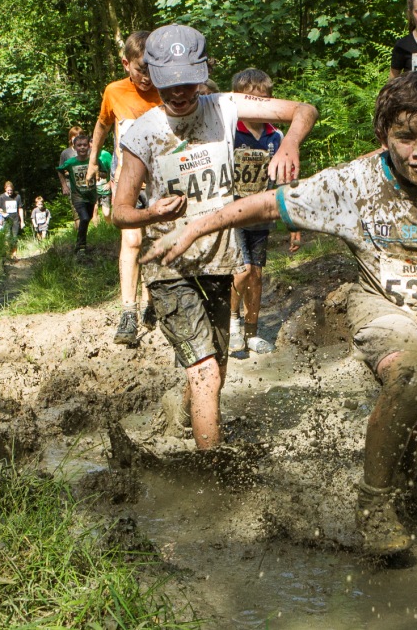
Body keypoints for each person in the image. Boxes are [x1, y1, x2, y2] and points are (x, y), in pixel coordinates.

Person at [143, 72, 417, 555]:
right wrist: (197, 226)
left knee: (415, 421)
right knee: (410, 373)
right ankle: (372, 508)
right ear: (384, 136)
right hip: (378, 309)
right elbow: (267, 205)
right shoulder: (354, 183)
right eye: (406, 137)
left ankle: (398, 491)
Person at [113, 24, 318, 451]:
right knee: (205, 371)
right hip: (169, 267)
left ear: (202, 74)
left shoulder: (225, 106)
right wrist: (152, 212)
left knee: (215, 372)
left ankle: (183, 413)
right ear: (153, 77)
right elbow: (120, 211)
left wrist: (290, 146)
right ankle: (212, 471)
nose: (180, 93)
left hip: (219, 263)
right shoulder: (142, 133)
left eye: (188, 82)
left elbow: (304, 109)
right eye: (170, 84)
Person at [87, 31, 163, 345]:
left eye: (153, 69)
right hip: (126, 181)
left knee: (155, 241)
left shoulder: (167, 90)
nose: (147, 77)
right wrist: (93, 159)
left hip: (160, 181)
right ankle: (128, 313)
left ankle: (150, 303)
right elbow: (103, 124)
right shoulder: (114, 92)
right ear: (125, 64)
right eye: (141, 69)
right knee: (132, 240)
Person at [227, 68, 287, 354]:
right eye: (251, 100)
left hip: (262, 215)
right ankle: (232, 324)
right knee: (243, 271)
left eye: (264, 100)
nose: (258, 107)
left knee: (257, 276)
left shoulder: (276, 135)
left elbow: (283, 175)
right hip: (233, 213)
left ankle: (252, 331)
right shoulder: (230, 132)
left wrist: (290, 218)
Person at [57, 134, 110, 254]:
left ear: (89, 146)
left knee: (88, 218)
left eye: (85, 145)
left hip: (91, 195)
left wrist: (97, 173)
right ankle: (81, 246)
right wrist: (64, 186)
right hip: (77, 196)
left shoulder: (94, 161)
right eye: (79, 145)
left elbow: (105, 173)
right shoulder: (70, 162)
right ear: (74, 147)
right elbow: (60, 171)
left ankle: (80, 243)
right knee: (84, 218)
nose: (82, 147)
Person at [0, 181, 25, 259]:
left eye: (11, 190)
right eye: (8, 190)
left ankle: (14, 254)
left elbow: (20, 209)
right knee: (7, 237)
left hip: (15, 220)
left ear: (13, 189)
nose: (9, 192)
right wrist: (2, 213)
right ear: (5, 189)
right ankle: (7, 254)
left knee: (14, 237)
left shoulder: (17, 197)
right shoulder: (1, 197)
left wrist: (22, 221)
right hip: (6, 219)